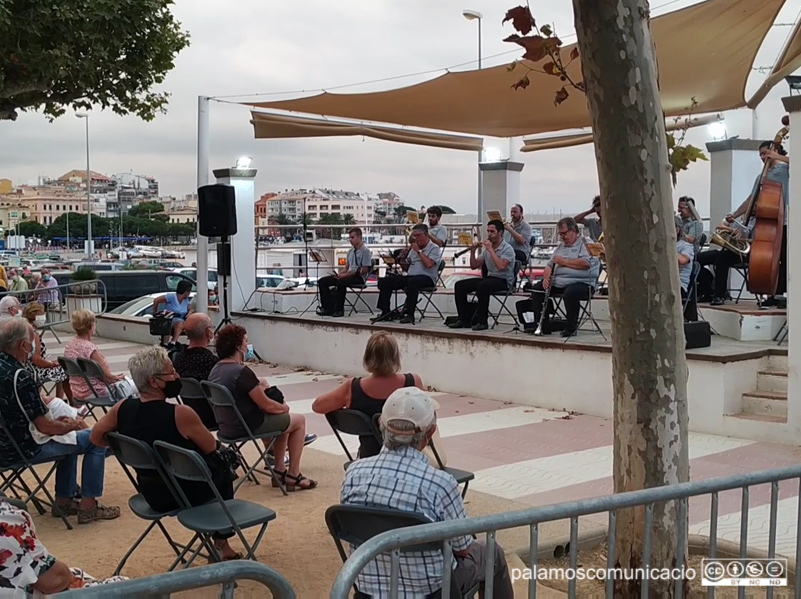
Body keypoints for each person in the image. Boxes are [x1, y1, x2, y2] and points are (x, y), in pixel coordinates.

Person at [341, 387, 513, 599]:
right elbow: (463, 549)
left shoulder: (353, 473)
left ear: (380, 424)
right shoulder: (440, 483)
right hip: (433, 592)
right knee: (491, 551)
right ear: (430, 433)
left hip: (369, 591)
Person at [91, 346, 244, 560]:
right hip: (188, 492)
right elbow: (210, 446)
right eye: (171, 372)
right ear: (154, 381)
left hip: (151, 493)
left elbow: (96, 438)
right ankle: (222, 542)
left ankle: (220, 543)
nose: (177, 376)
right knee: (222, 465)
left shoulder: (122, 408)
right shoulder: (181, 413)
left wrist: (124, 445)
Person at [0, 318, 120, 524]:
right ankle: (88, 506)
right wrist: (69, 424)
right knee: (95, 438)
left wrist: (62, 426)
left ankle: (64, 500)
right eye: (33, 340)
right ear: (23, 345)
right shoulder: (20, 377)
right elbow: (45, 427)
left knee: (69, 439)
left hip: (5, 444)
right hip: (23, 449)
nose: (35, 344)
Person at [208, 324, 317, 491]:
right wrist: (283, 407)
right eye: (245, 341)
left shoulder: (216, 369)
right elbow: (266, 405)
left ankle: (280, 470)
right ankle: (293, 474)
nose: (247, 345)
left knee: (283, 422)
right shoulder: (241, 371)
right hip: (247, 426)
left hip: (226, 426)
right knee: (298, 420)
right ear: (238, 346)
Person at [700, 141, 789, 306]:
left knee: (783, 259)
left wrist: (778, 157)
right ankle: (770, 295)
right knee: (771, 260)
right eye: (760, 155)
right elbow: (751, 199)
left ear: (774, 150)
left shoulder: (787, 169)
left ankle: (781, 295)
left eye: (765, 153)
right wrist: (733, 216)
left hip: (785, 221)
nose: (763, 157)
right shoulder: (761, 176)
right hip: (768, 224)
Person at [312, 332, 425, 458]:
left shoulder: (353, 388)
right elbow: (428, 419)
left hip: (369, 457)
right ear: (396, 357)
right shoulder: (413, 383)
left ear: (367, 357)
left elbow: (318, 406)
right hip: (410, 457)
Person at [0, 499, 127, 593]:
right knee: (124, 586)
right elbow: (55, 580)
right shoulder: (6, 519)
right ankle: (87, 507)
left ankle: (63, 502)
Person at [515, 217, 599, 337]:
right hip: (558, 282)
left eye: (564, 233)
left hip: (582, 283)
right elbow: (550, 265)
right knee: (537, 289)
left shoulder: (586, 243)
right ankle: (541, 325)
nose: (562, 237)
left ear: (573, 231)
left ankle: (571, 327)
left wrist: (564, 261)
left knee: (570, 293)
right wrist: (546, 278)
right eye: (560, 234)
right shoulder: (560, 247)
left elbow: (586, 264)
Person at [448, 220, 516, 332]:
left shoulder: (508, 249)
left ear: (500, 233)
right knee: (460, 285)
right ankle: (463, 319)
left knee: (483, 286)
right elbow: (474, 266)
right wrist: (472, 252)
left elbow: (501, 266)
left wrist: (490, 250)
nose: (489, 234)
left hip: (503, 281)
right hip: (489, 279)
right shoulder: (486, 250)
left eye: (492, 231)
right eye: (488, 231)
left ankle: (482, 321)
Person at [372, 224, 441, 325]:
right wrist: (400, 260)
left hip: (427, 278)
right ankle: (385, 311)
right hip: (411, 276)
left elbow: (429, 264)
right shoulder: (412, 249)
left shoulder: (434, 248)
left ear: (426, 235)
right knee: (386, 280)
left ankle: (410, 314)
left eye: (418, 235)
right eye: (414, 236)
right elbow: (408, 268)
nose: (415, 238)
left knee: (413, 282)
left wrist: (418, 251)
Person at [64, 309, 131, 403]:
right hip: (96, 392)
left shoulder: (70, 345)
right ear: (91, 326)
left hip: (77, 391)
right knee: (136, 387)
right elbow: (107, 378)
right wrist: (119, 378)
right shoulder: (90, 349)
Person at [172, 313, 220, 429]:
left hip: (190, 414)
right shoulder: (213, 362)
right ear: (209, 333)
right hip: (215, 417)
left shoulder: (176, 359)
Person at [316, 228, 372, 318]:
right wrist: (339, 274)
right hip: (348, 275)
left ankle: (339, 309)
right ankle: (327, 307)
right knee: (322, 281)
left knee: (341, 282)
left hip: (358, 277)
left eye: (352, 237)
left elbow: (364, 270)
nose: (350, 240)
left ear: (359, 237)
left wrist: (345, 275)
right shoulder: (350, 251)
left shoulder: (365, 251)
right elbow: (346, 267)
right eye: (349, 238)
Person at [22, 302, 72, 402]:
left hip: (25, 366)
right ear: (35, 315)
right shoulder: (33, 333)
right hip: (33, 370)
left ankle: (60, 400)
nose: (44, 316)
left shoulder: (23, 328)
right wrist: (51, 364)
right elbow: (36, 360)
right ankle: (65, 402)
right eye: (42, 313)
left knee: (59, 368)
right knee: (64, 370)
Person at [152, 279, 193, 346]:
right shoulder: (171, 297)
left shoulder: (186, 300)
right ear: (186, 291)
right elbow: (156, 300)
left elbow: (190, 309)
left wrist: (190, 313)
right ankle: (165, 343)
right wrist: (155, 312)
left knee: (180, 323)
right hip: (169, 318)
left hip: (180, 319)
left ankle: (173, 342)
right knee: (168, 324)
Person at [676, 216, 697, 321]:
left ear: (677, 229)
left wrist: (668, 246)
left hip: (679, 285)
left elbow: (683, 260)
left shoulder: (686, 246)